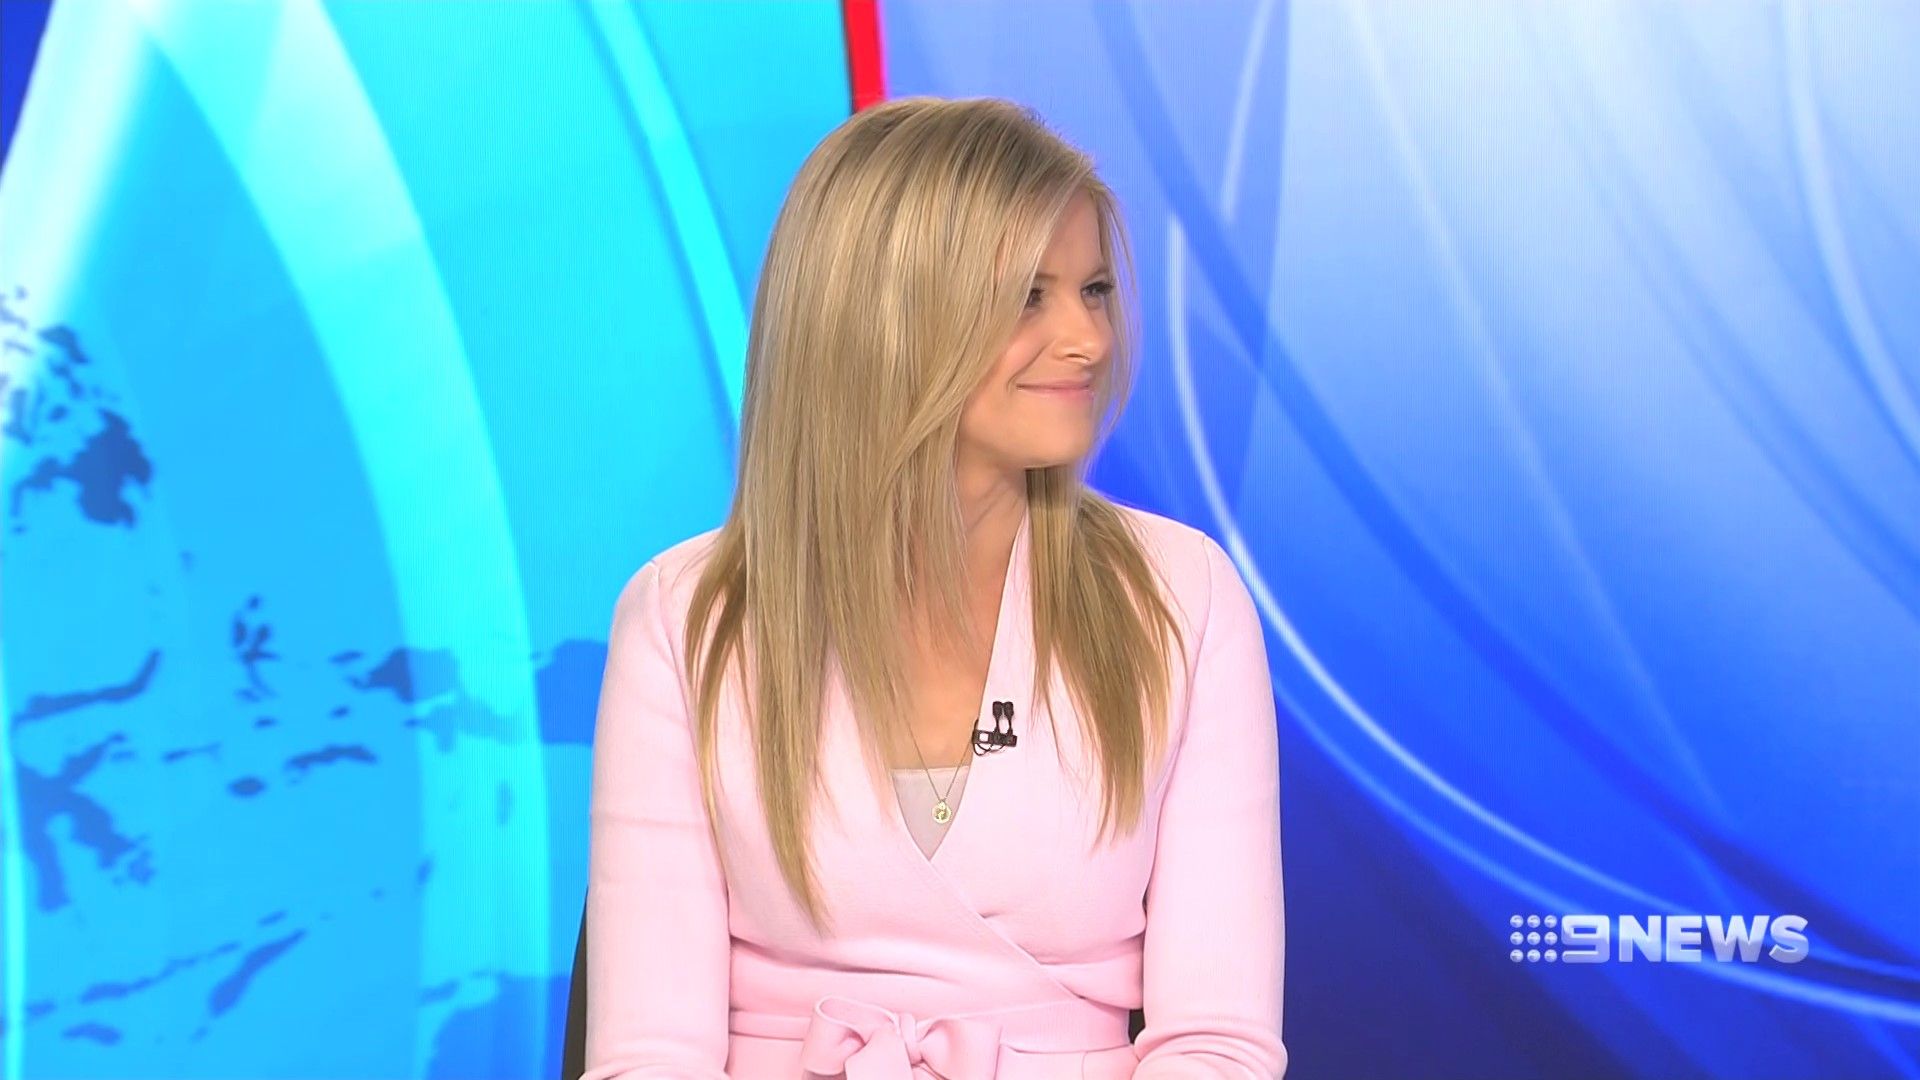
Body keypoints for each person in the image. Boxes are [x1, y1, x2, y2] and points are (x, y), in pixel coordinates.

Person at [582, 95, 1285, 1079]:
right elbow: (651, 1058)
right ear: (885, 321)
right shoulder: (686, 619)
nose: (1088, 340)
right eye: (1028, 297)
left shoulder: (1180, 597)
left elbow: (1217, 1044)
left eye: (1092, 291)